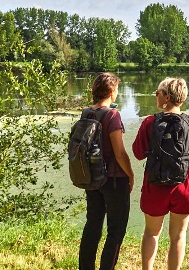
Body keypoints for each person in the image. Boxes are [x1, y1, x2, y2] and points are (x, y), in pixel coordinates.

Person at [133, 77, 189, 270]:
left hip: (154, 186)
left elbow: (138, 154)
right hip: (183, 186)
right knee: (178, 236)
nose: (156, 95)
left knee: (151, 233)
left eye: (158, 92)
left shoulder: (150, 122)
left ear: (166, 97)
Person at [78, 72, 135, 270]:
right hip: (113, 179)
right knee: (116, 231)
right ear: (111, 92)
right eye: (117, 89)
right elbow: (119, 153)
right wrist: (130, 174)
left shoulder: (87, 113)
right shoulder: (112, 115)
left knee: (92, 225)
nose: (117, 93)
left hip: (92, 178)